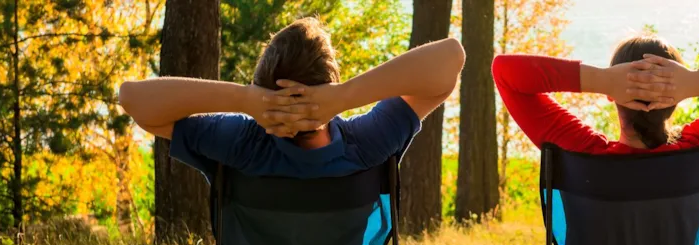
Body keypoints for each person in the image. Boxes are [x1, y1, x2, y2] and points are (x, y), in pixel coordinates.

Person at [118, 17, 465, 180]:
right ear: (329, 83)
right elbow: (450, 61)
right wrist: (344, 98)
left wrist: (245, 100)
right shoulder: (368, 143)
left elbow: (133, 99)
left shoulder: (240, 145)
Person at [491, 34, 699, 153]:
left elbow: (505, 71)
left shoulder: (583, 153)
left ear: (612, 96)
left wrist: (600, 80)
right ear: (674, 102)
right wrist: (696, 83)